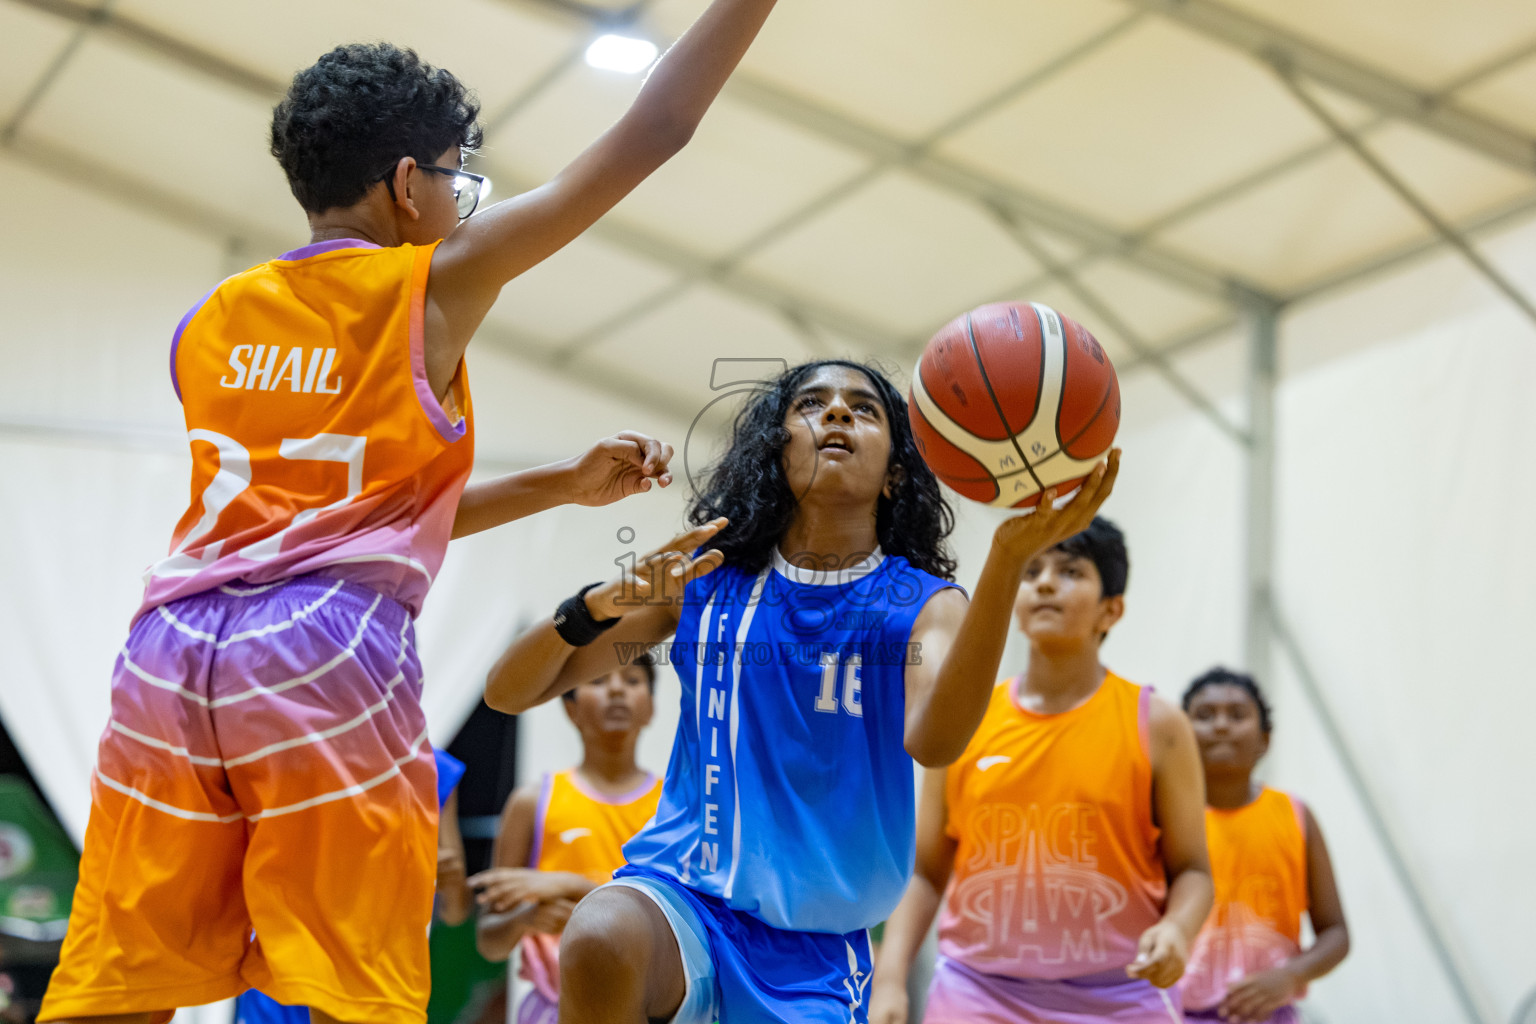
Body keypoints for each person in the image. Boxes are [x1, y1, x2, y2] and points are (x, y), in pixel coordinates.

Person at [40, 2, 785, 1020]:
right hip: (323, 656)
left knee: (122, 979)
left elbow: (348, 513)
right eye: (458, 178)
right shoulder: (429, 282)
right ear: (405, 186)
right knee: (358, 989)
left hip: (168, 655)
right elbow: (652, 135)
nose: (466, 204)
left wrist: (560, 486)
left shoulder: (206, 322)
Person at [483, 359, 1120, 1023]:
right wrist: (606, 600)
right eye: (812, 404)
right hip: (685, 904)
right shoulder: (710, 578)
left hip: (815, 951)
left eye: (864, 408)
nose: (838, 413)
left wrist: (1007, 561)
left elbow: (937, 741)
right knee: (602, 932)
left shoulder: (923, 604)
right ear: (775, 449)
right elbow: (508, 690)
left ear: (896, 473)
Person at [870, 517, 1213, 1024]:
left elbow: (1194, 871)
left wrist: (1178, 931)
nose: (1046, 583)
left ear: (1111, 610)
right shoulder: (966, 716)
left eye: (1070, 571)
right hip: (978, 994)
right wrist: (890, 979)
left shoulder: (1158, 724)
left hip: (1121, 995)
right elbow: (925, 871)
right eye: (1031, 572)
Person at [472, 657, 663, 1024]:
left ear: (651, 707)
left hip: (646, 1009)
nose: (617, 689)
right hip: (551, 1009)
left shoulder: (670, 809)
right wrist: (525, 918)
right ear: (571, 708)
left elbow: (671, 924)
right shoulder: (533, 802)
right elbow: (489, 941)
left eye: (633, 679)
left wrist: (568, 886)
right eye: (599, 679)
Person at [234, 749, 474, 1024]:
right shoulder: (305, 749)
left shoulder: (433, 766)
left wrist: (443, 877)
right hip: (294, 948)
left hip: (379, 964)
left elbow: (455, 911)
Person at [1179, 668, 1350, 1024]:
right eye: (1205, 715)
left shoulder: (1295, 816)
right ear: (1179, 736)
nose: (1221, 725)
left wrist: (1291, 975)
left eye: (1237, 715)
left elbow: (1335, 933)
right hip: (1172, 1013)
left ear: (1264, 740)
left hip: (1269, 1015)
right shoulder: (1162, 819)